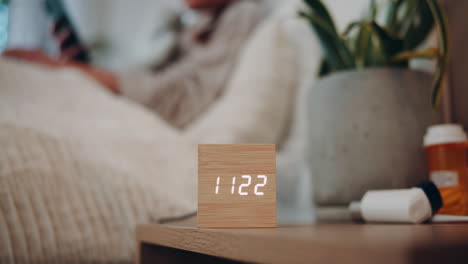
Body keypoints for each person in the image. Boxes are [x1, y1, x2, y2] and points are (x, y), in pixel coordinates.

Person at [3, 0, 264, 128]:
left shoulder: (243, 14)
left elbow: (176, 96)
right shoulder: (191, 27)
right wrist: (81, 70)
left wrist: (67, 70)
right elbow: (148, 81)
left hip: (190, 149)